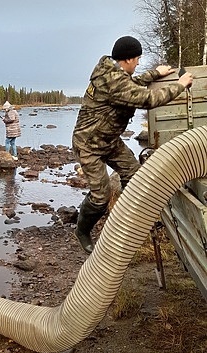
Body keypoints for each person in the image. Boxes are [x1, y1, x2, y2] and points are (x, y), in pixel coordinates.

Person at [72, 35, 193, 254]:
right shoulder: (114, 81)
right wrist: (180, 85)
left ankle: (126, 222)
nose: (138, 63)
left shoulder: (114, 73)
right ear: (127, 59)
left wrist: (156, 73)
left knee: (136, 176)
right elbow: (147, 99)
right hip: (89, 145)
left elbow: (133, 84)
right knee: (101, 197)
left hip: (108, 141)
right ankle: (82, 231)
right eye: (137, 59)